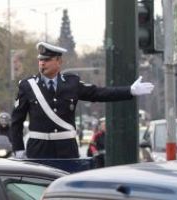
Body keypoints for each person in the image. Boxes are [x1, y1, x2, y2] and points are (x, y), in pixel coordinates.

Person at [11, 41, 154, 159]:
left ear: (59, 61)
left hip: (66, 149)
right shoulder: (27, 86)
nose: (42, 63)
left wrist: (129, 90)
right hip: (38, 149)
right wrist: (18, 149)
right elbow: (16, 121)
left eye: (47, 60)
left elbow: (98, 93)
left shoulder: (72, 83)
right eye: (40, 60)